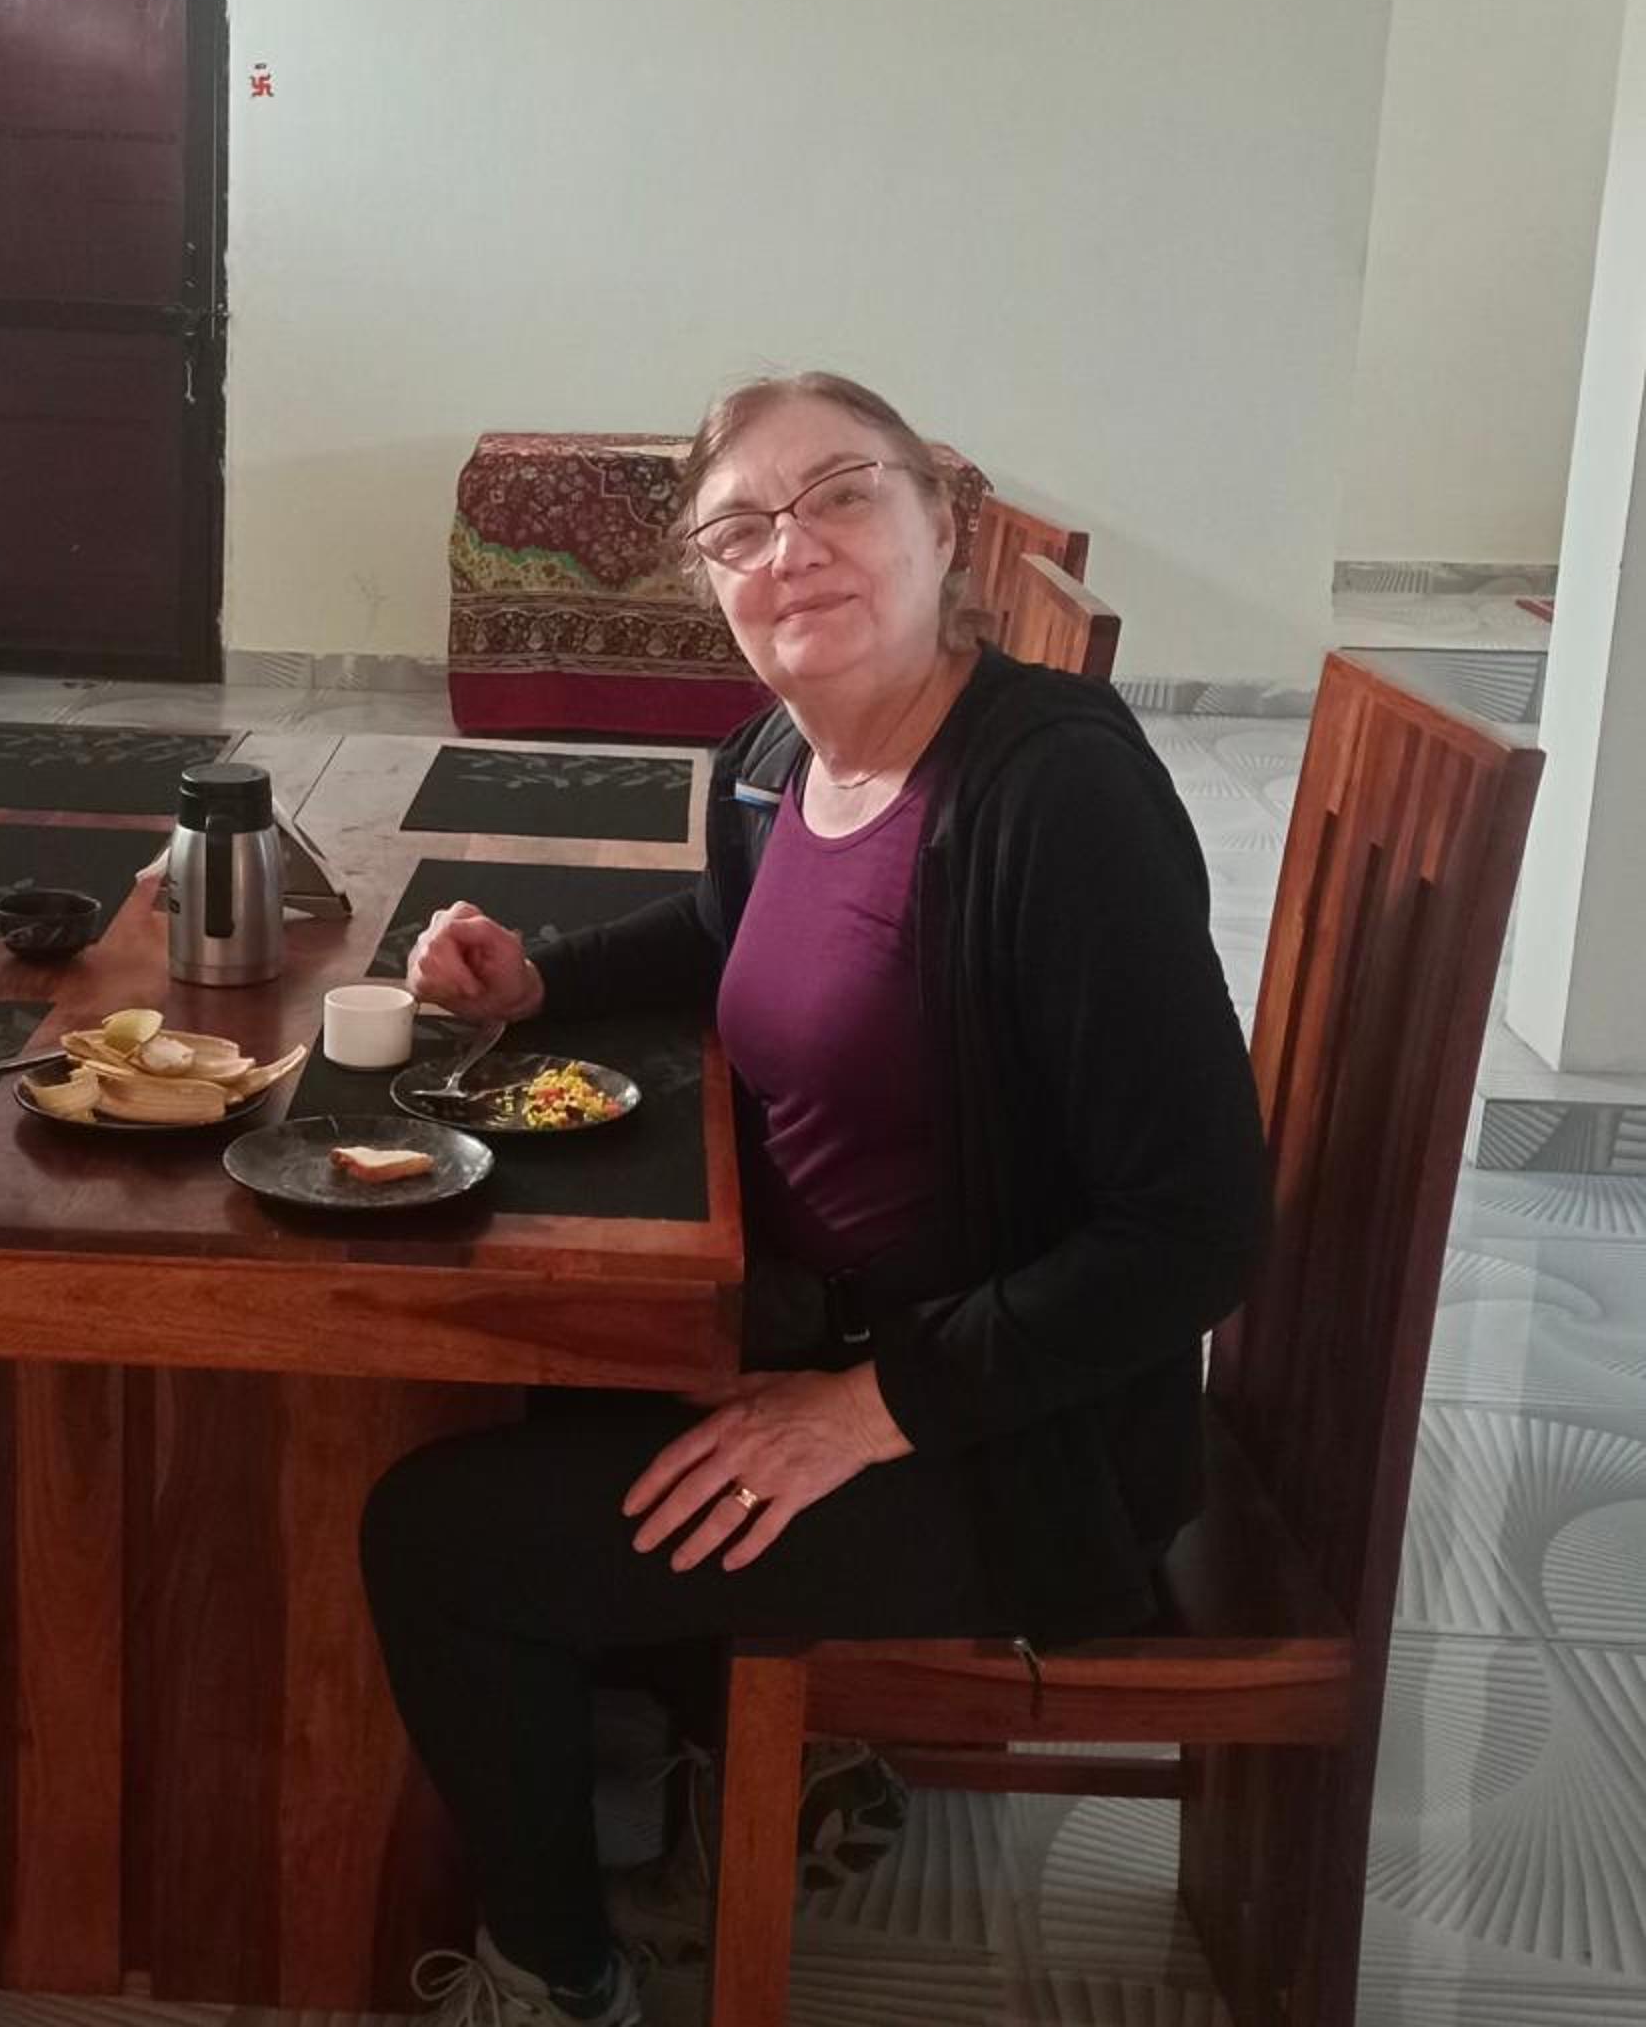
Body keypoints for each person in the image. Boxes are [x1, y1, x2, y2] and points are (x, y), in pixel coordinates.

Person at [363, 373, 1266, 2025]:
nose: (794, 550)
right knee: (521, 1364)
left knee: (438, 1540)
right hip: (830, 1329)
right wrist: (539, 982)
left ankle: (558, 1978)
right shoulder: (779, 754)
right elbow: (733, 924)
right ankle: (718, 1760)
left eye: (843, 495)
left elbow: (1199, 1226)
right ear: (708, 582)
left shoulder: (1052, 797)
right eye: (741, 528)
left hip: (1017, 1442)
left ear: (945, 526)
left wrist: (866, 1409)